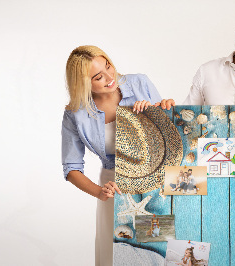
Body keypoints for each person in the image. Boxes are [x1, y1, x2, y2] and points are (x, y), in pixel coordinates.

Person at [61, 45, 170, 266]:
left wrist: (158, 110)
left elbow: (170, 135)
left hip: (152, 184)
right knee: (118, 254)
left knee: (156, 249)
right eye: (98, 77)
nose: (110, 78)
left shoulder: (139, 83)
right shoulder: (75, 113)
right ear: (83, 84)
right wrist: (100, 192)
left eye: (108, 66)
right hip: (113, 190)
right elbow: (71, 167)